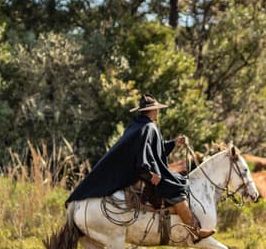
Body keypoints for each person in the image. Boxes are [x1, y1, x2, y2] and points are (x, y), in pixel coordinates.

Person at [68, 94, 214, 240]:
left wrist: (174, 143)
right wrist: (150, 174)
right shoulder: (148, 127)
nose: (157, 112)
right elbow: (142, 157)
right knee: (176, 190)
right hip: (143, 172)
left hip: (141, 170)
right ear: (150, 111)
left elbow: (153, 151)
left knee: (177, 180)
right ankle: (195, 230)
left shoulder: (137, 125)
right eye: (156, 110)